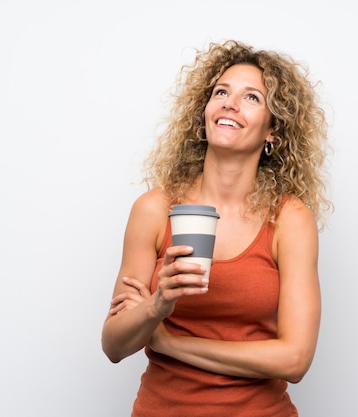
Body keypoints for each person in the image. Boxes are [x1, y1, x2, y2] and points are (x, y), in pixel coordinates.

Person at [101, 39, 332, 417]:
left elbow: (295, 359)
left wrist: (170, 343)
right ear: (205, 111)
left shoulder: (289, 219)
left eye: (252, 98)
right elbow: (113, 345)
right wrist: (158, 305)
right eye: (221, 92)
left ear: (273, 131)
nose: (230, 103)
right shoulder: (155, 209)